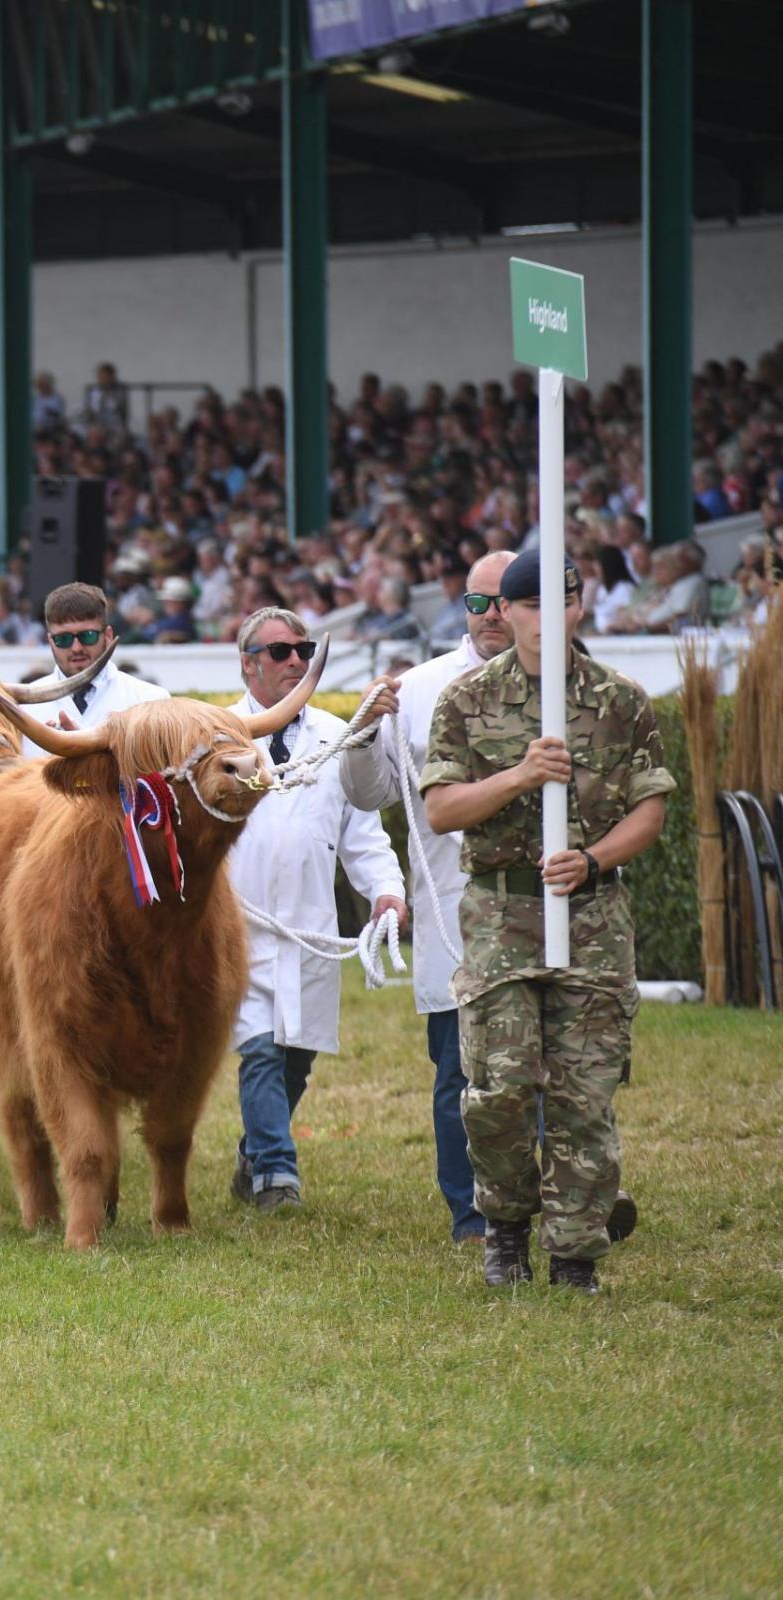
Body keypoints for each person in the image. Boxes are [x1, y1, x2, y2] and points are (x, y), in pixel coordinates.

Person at [420, 549, 673, 1293]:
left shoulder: (619, 699)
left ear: (580, 607)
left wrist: (592, 860)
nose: (542, 619)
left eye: (559, 602)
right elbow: (441, 810)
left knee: (583, 1091)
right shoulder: (470, 700)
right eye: (527, 605)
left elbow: (651, 806)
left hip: (591, 914)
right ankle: (503, 1225)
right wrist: (520, 775)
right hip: (502, 913)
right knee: (498, 1086)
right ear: (506, 612)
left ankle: (575, 1251)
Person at [339, 551, 516, 1242]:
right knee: (457, 1069)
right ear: (461, 609)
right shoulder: (418, 687)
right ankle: (470, 1213)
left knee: (540, 1066)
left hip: (538, 901)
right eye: (478, 604)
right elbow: (369, 792)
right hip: (452, 904)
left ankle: (542, 1198)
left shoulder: (562, 679)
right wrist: (360, 732)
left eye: (505, 601)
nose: (492, 616)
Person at [228, 607, 407, 1212]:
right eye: (280, 652)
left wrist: (388, 890)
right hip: (236, 927)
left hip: (309, 930)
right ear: (248, 663)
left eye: (303, 649)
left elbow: (363, 835)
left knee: (295, 1060)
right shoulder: (215, 735)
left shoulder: (338, 737)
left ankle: (254, 1150)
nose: (297, 662)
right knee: (257, 1049)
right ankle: (276, 1177)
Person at [18, 582, 170, 758]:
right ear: (51, 642)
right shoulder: (25, 710)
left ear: (107, 636)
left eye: (87, 636)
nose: (76, 648)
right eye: (63, 639)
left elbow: (163, 778)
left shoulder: (151, 700)